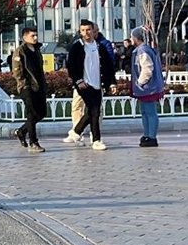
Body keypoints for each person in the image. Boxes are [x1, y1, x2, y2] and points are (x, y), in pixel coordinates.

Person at [66, 19, 116, 151]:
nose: (86, 33)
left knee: (94, 112)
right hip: (84, 85)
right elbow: (71, 66)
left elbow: (108, 66)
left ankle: (76, 131)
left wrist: (111, 83)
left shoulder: (100, 47)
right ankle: (96, 140)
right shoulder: (77, 47)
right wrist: (78, 81)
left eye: (88, 30)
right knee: (94, 111)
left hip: (98, 84)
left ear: (94, 31)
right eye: (83, 30)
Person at [11, 27, 47, 153]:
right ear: (25, 37)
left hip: (39, 86)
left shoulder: (37, 50)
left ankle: (21, 131)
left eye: (36, 35)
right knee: (31, 114)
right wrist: (24, 85)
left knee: (41, 113)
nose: (35, 38)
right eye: (33, 36)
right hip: (27, 87)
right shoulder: (20, 51)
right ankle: (33, 142)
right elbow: (17, 72)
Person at [127, 27, 163, 148]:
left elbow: (147, 68)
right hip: (145, 88)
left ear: (136, 38)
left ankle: (151, 136)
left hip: (148, 87)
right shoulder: (142, 49)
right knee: (145, 112)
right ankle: (147, 134)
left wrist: (140, 83)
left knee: (150, 112)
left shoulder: (142, 50)